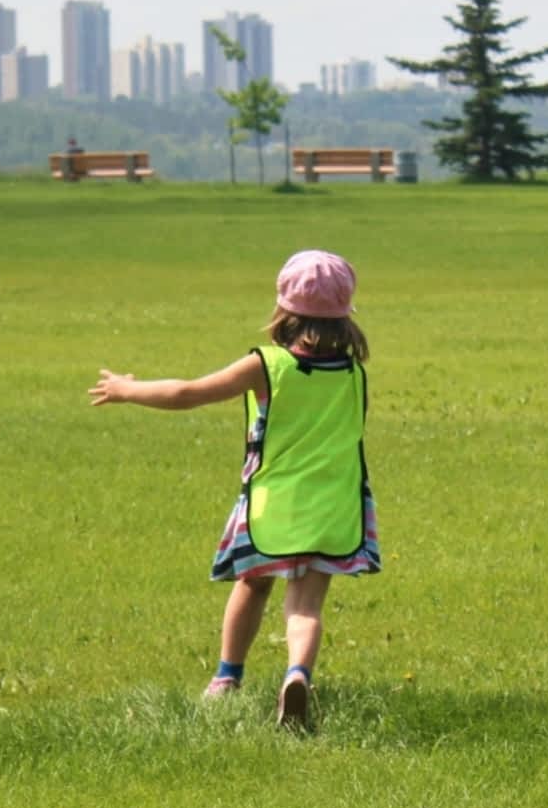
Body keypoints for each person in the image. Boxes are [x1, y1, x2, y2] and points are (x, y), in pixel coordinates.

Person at [89, 249, 379, 730]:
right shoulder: (353, 374)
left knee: (253, 583)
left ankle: (227, 678)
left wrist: (127, 390)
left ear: (284, 310)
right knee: (306, 606)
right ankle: (298, 675)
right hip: (335, 505)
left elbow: (189, 392)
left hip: (274, 503)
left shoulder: (267, 366)